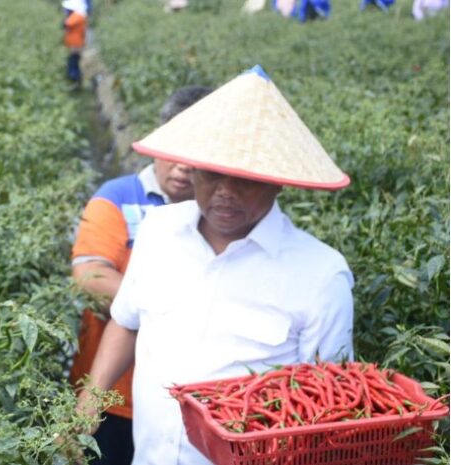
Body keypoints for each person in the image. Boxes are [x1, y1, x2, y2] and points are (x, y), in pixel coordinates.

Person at [76, 65, 354, 465]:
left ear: (278, 180)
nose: (225, 192)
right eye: (211, 173)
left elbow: (328, 409)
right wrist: (89, 402)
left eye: (244, 178)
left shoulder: (320, 275)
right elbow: (126, 320)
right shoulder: (160, 232)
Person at [70, 86, 213, 465]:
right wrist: (172, 310)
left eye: (195, 155)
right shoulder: (116, 198)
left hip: (191, 404)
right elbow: (91, 276)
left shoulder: (221, 219)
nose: (183, 165)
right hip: (114, 397)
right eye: (176, 151)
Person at [62, 0, 88, 84]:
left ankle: (75, 78)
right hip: (76, 41)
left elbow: (67, 24)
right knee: (74, 60)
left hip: (75, 42)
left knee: (73, 60)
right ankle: (76, 79)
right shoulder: (80, 15)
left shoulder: (77, 15)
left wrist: (66, 19)